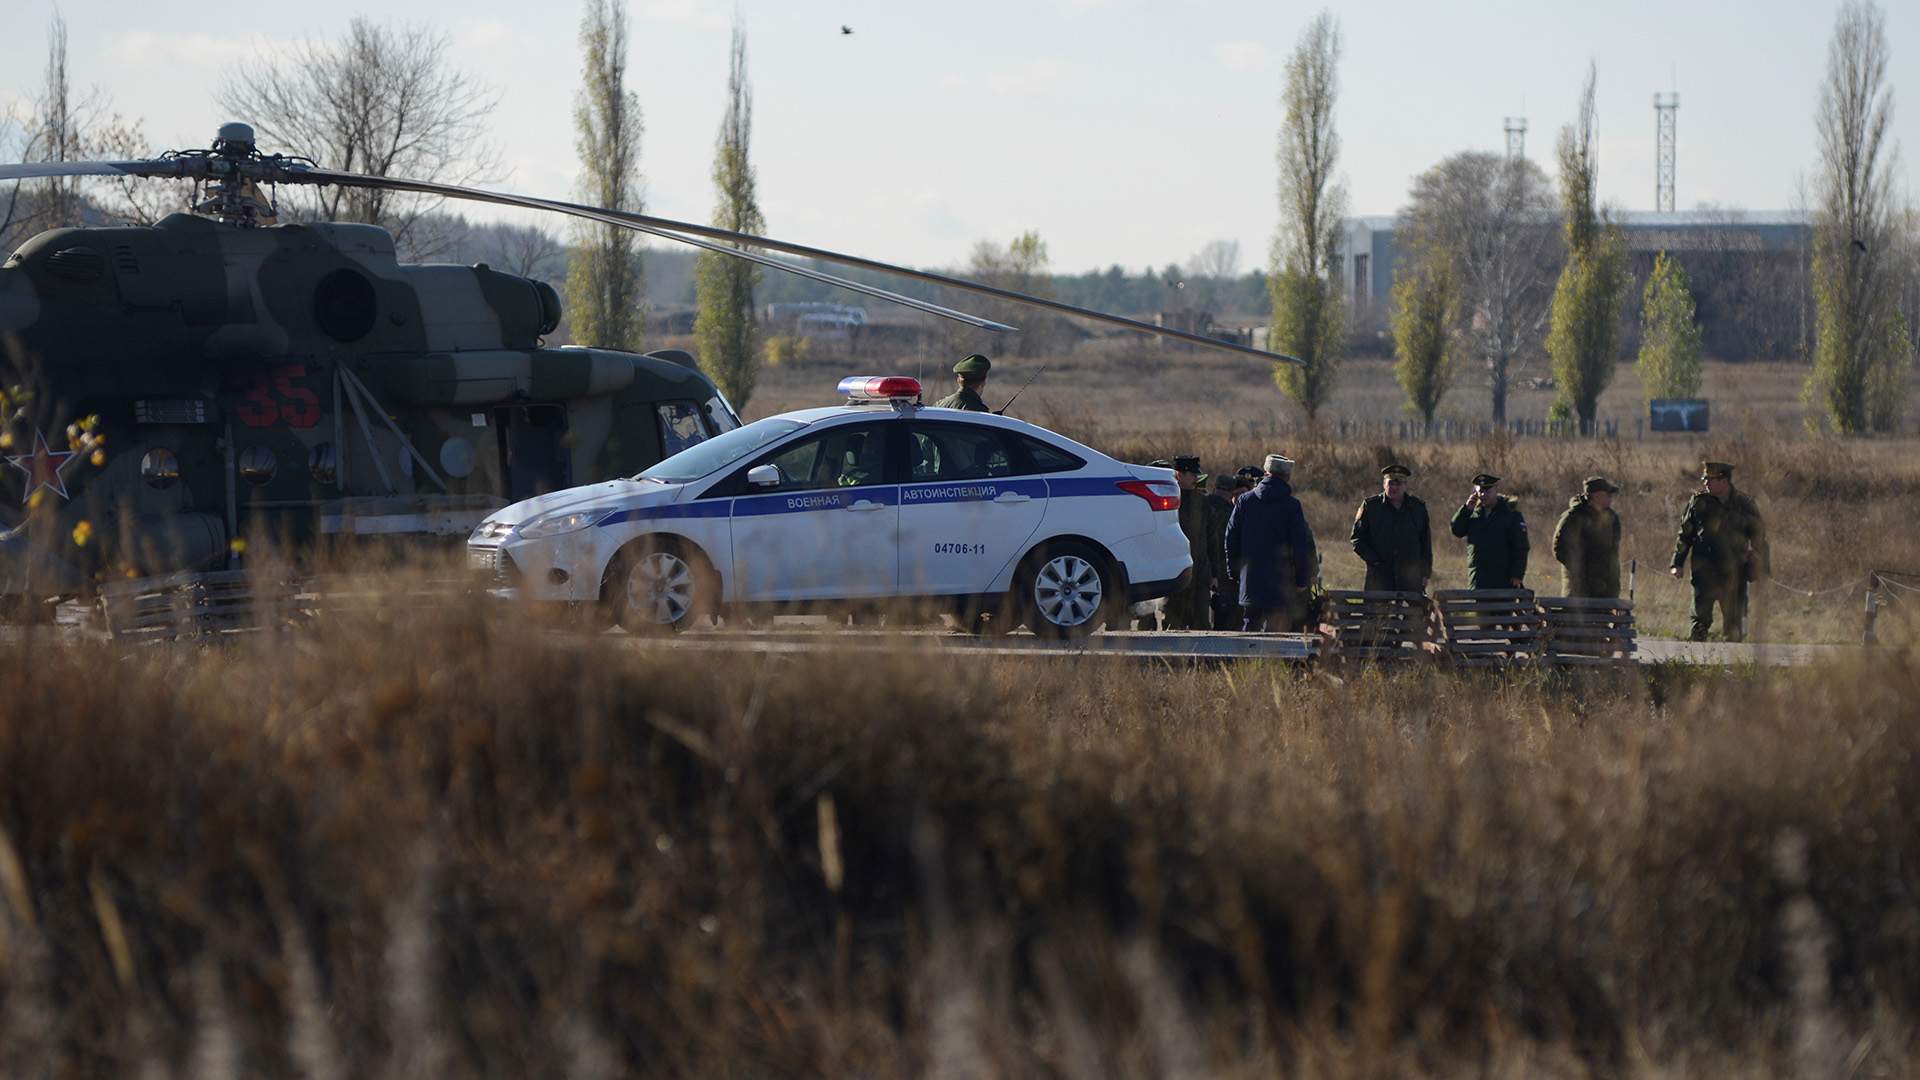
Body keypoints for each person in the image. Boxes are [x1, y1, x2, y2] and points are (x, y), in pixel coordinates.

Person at [1670, 460, 1770, 642]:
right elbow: (1685, 535)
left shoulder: (1744, 504)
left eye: (1710, 479)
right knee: (1700, 620)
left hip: (1734, 572)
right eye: (1704, 479)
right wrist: (1677, 563)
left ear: (1724, 481)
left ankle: (1733, 666)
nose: (1705, 483)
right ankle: (1696, 662)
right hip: (1704, 570)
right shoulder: (1698, 503)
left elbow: (1759, 538)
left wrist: (1763, 568)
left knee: (1734, 623)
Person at [1224, 454, 1317, 632]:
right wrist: (1301, 580)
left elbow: (1230, 538)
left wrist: (1235, 571)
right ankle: (1272, 661)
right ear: (1287, 477)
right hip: (1282, 583)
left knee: (1250, 628)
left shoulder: (1245, 501)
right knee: (1277, 634)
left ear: (1266, 473)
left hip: (1251, 580)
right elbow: (1300, 545)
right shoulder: (1292, 506)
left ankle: (1246, 660)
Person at [1349, 464, 1432, 593]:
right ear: (1384, 484)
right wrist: (1375, 561)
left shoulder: (1417, 508)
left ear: (1405, 486)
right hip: (1379, 577)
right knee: (1376, 612)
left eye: (1398, 484)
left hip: (1410, 577)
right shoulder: (1371, 507)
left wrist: (1425, 573)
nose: (1394, 487)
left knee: (1414, 612)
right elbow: (1357, 539)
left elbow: (1425, 543)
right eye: (1390, 483)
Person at [1450, 472, 1529, 590]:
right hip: (1479, 580)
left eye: (1487, 491)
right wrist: (1466, 510)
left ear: (1496, 490)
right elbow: (1457, 530)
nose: (1483, 494)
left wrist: (1517, 574)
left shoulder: (1510, 514)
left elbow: (1521, 547)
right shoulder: (1473, 514)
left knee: (1501, 608)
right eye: (1480, 491)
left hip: (1503, 580)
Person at [1163, 456, 1215, 630]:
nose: (1196, 478)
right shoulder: (1167, 500)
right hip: (1175, 573)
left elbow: (1212, 537)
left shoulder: (1203, 501)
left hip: (1200, 571)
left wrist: (1213, 571)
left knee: (1201, 623)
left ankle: (1206, 658)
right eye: (1192, 474)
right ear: (1179, 474)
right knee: (1173, 623)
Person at [1552, 476, 1623, 597]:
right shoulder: (1574, 517)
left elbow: (1613, 553)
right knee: (1579, 616)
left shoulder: (1612, 518)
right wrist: (1581, 571)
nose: (1611, 498)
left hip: (1606, 590)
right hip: (1579, 589)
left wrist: (1614, 585)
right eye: (1608, 494)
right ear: (1596, 496)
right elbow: (1560, 549)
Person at [1207, 472, 1242, 630]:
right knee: (1227, 619)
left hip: (1200, 571)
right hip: (1226, 575)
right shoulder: (1232, 514)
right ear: (1231, 493)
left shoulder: (1201, 506)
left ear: (1214, 489)